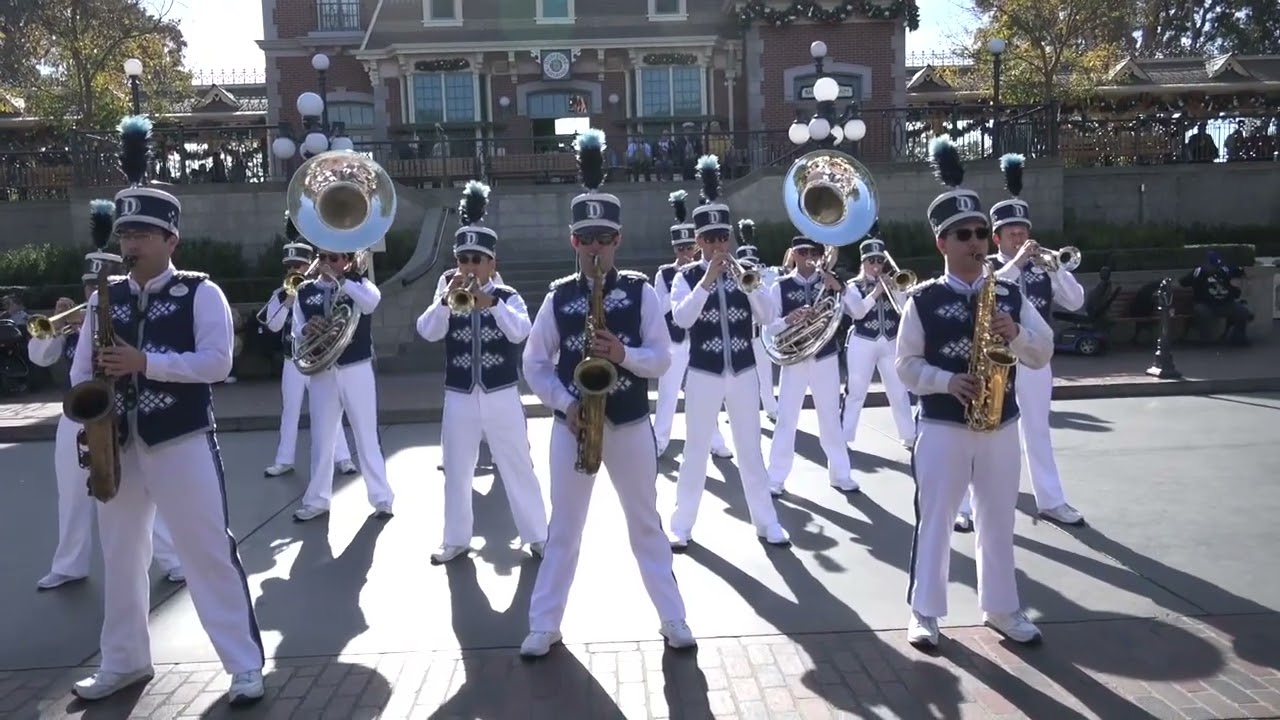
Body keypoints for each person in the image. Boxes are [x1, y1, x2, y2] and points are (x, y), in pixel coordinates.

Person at [68, 115, 263, 704]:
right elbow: (80, 373)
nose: (129, 245)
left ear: (171, 240)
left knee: (207, 552)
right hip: (118, 444)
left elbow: (217, 362)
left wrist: (145, 362)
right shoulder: (103, 298)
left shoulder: (201, 291)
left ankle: (244, 665)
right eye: (125, 235)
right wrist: (93, 409)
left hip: (180, 440)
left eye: (143, 236)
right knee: (121, 558)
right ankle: (123, 661)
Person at [520, 129, 693, 657]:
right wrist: (566, 404)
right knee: (563, 529)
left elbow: (662, 358)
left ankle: (674, 618)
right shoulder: (559, 297)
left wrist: (623, 356)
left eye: (604, 238)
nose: (595, 248)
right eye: (586, 238)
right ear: (573, 241)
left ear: (618, 240)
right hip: (573, 426)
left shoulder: (640, 290)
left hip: (630, 424)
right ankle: (544, 624)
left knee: (646, 522)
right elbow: (533, 362)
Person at [897, 137, 1053, 650]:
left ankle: (1002, 608)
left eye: (981, 233)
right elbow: (905, 365)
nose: (976, 242)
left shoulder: (1008, 292)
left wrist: (1019, 335)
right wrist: (946, 381)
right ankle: (925, 612)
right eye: (963, 234)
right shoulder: (922, 299)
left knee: (998, 517)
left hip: (1000, 424)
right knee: (937, 517)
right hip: (942, 424)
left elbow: (1043, 351)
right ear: (942, 243)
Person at [30, 237, 184, 591]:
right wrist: (55, 328)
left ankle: (174, 560)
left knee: (136, 493)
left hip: (121, 411)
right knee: (70, 492)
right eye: (87, 283)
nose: (91, 289)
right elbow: (41, 358)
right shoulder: (75, 317)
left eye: (98, 282)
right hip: (77, 412)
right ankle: (69, 564)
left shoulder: (129, 313)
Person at [416, 180, 548, 564]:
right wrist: (445, 301)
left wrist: (490, 303)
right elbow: (427, 332)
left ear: (493, 263)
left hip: (502, 394)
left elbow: (521, 332)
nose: (469, 267)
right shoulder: (448, 295)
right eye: (464, 260)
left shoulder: (509, 297)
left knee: (517, 465)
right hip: (458, 395)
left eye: (477, 260)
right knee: (457, 469)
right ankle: (455, 539)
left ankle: (538, 536)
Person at [955, 154, 1087, 531]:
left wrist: (1056, 267)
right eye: (1012, 232)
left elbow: (1077, 302)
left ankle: (1052, 501)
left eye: (1023, 231)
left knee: (1038, 432)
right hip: (992, 362)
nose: (1020, 238)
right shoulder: (985, 265)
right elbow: (988, 289)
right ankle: (963, 505)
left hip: (1033, 360)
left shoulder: (1043, 266)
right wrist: (1018, 263)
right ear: (996, 237)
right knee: (977, 433)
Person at [668, 155, 790, 548]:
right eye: (711, 239)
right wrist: (706, 280)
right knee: (696, 449)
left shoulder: (746, 273)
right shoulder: (684, 277)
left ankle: (766, 522)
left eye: (724, 238)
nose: (719, 245)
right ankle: (682, 524)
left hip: (743, 371)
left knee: (751, 449)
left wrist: (750, 285)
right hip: (703, 372)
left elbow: (770, 316)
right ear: (698, 242)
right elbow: (682, 320)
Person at [290, 244, 394, 522]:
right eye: (321, 257)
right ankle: (317, 500)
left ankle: (382, 498)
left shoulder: (360, 285)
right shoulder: (305, 290)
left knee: (366, 436)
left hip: (356, 368)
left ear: (346, 261)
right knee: (322, 439)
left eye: (332, 257)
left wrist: (345, 281)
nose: (324, 263)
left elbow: (372, 303)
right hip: (322, 371)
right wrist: (306, 329)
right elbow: (295, 330)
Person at [259, 219, 357, 478]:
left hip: (320, 360)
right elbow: (272, 326)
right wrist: (287, 299)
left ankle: (344, 459)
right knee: (290, 410)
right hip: (293, 361)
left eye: (299, 265)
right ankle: (284, 459)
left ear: (310, 265)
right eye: (289, 266)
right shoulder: (281, 294)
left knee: (330, 411)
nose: (294, 270)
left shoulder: (322, 289)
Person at [764, 234, 857, 494]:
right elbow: (769, 327)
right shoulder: (779, 286)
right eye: (802, 253)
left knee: (830, 418)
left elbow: (857, 311)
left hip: (824, 357)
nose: (809, 258)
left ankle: (840, 473)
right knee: (786, 419)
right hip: (794, 360)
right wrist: (788, 320)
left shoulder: (831, 282)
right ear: (793, 254)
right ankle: (776, 477)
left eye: (814, 253)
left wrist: (840, 288)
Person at [652, 190, 731, 458]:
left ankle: (716, 440)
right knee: (668, 395)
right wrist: (681, 288)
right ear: (675, 249)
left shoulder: (709, 270)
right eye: (681, 248)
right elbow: (659, 307)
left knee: (707, 396)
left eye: (689, 248)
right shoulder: (665, 273)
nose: (686, 252)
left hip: (700, 341)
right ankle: (660, 440)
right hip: (675, 343)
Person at [841, 235, 916, 454]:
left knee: (899, 390)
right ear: (863, 262)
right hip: (862, 340)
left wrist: (897, 290)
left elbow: (904, 311)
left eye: (879, 261)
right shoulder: (852, 286)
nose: (875, 266)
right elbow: (857, 311)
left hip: (890, 340)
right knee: (855, 391)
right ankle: (844, 436)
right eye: (871, 261)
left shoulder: (892, 283)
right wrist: (876, 292)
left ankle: (909, 435)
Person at [736, 221, 780, 421]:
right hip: (742, 336)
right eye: (744, 266)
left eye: (751, 266)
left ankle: (771, 408)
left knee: (765, 375)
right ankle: (743, 411)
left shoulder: (763, 280)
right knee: (742, 377)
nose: (748, 269)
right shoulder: (734, 280)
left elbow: (769, 307)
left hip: (759, 334)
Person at [1180, 250, 1252, 345]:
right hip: (1206, 304)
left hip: (1225, 304)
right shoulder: (1199, 271)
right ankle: (1206, 339)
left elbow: (1239, 271)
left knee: (1242, 311)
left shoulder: (1224, 269)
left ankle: (1238, 337)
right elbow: (1183, 282)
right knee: (1201, 311)